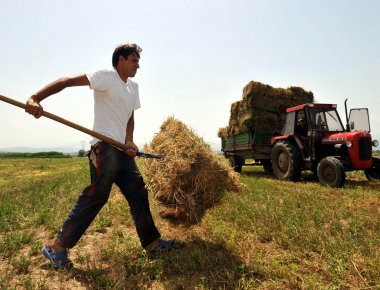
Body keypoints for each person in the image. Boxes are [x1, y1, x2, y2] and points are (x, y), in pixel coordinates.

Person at [25, 43, 177, 270]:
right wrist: (35, 97)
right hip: (104, 147)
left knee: (138, 191)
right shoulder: (106, 76)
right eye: (134, 60)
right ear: (121, 60)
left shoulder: (133, 87)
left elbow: (130, 118)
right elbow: (66, 81)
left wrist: (129, 140)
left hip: (122, 151)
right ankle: (56, 248)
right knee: (97, 195)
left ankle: (152, 244)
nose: (138, 65)